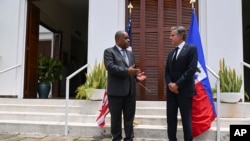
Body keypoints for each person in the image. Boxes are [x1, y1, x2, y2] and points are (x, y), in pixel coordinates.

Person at [103, 30, 146, 141]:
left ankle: (129, 138)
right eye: (126, 38)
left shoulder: (130, 54)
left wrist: (136, 77)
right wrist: (127, 71)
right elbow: (111, 67)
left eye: (128, 38)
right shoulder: (109, 52)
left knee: (129, 119)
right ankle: (116, 138)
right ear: (118, 40)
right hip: (116, 93)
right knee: (116, 119)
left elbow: (131, 72)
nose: (128, 40)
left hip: (130, 92)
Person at [165, 26, 198, 141]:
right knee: (171, 120)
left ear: (180, 36)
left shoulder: (191, 49)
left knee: (186, 120)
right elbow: (167, 72)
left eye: (172, 35)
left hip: (184, 91)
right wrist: (170, 84)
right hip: (171, 92)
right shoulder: (171, 53)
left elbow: (191, 69)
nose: (170, 37)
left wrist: (177, 85)